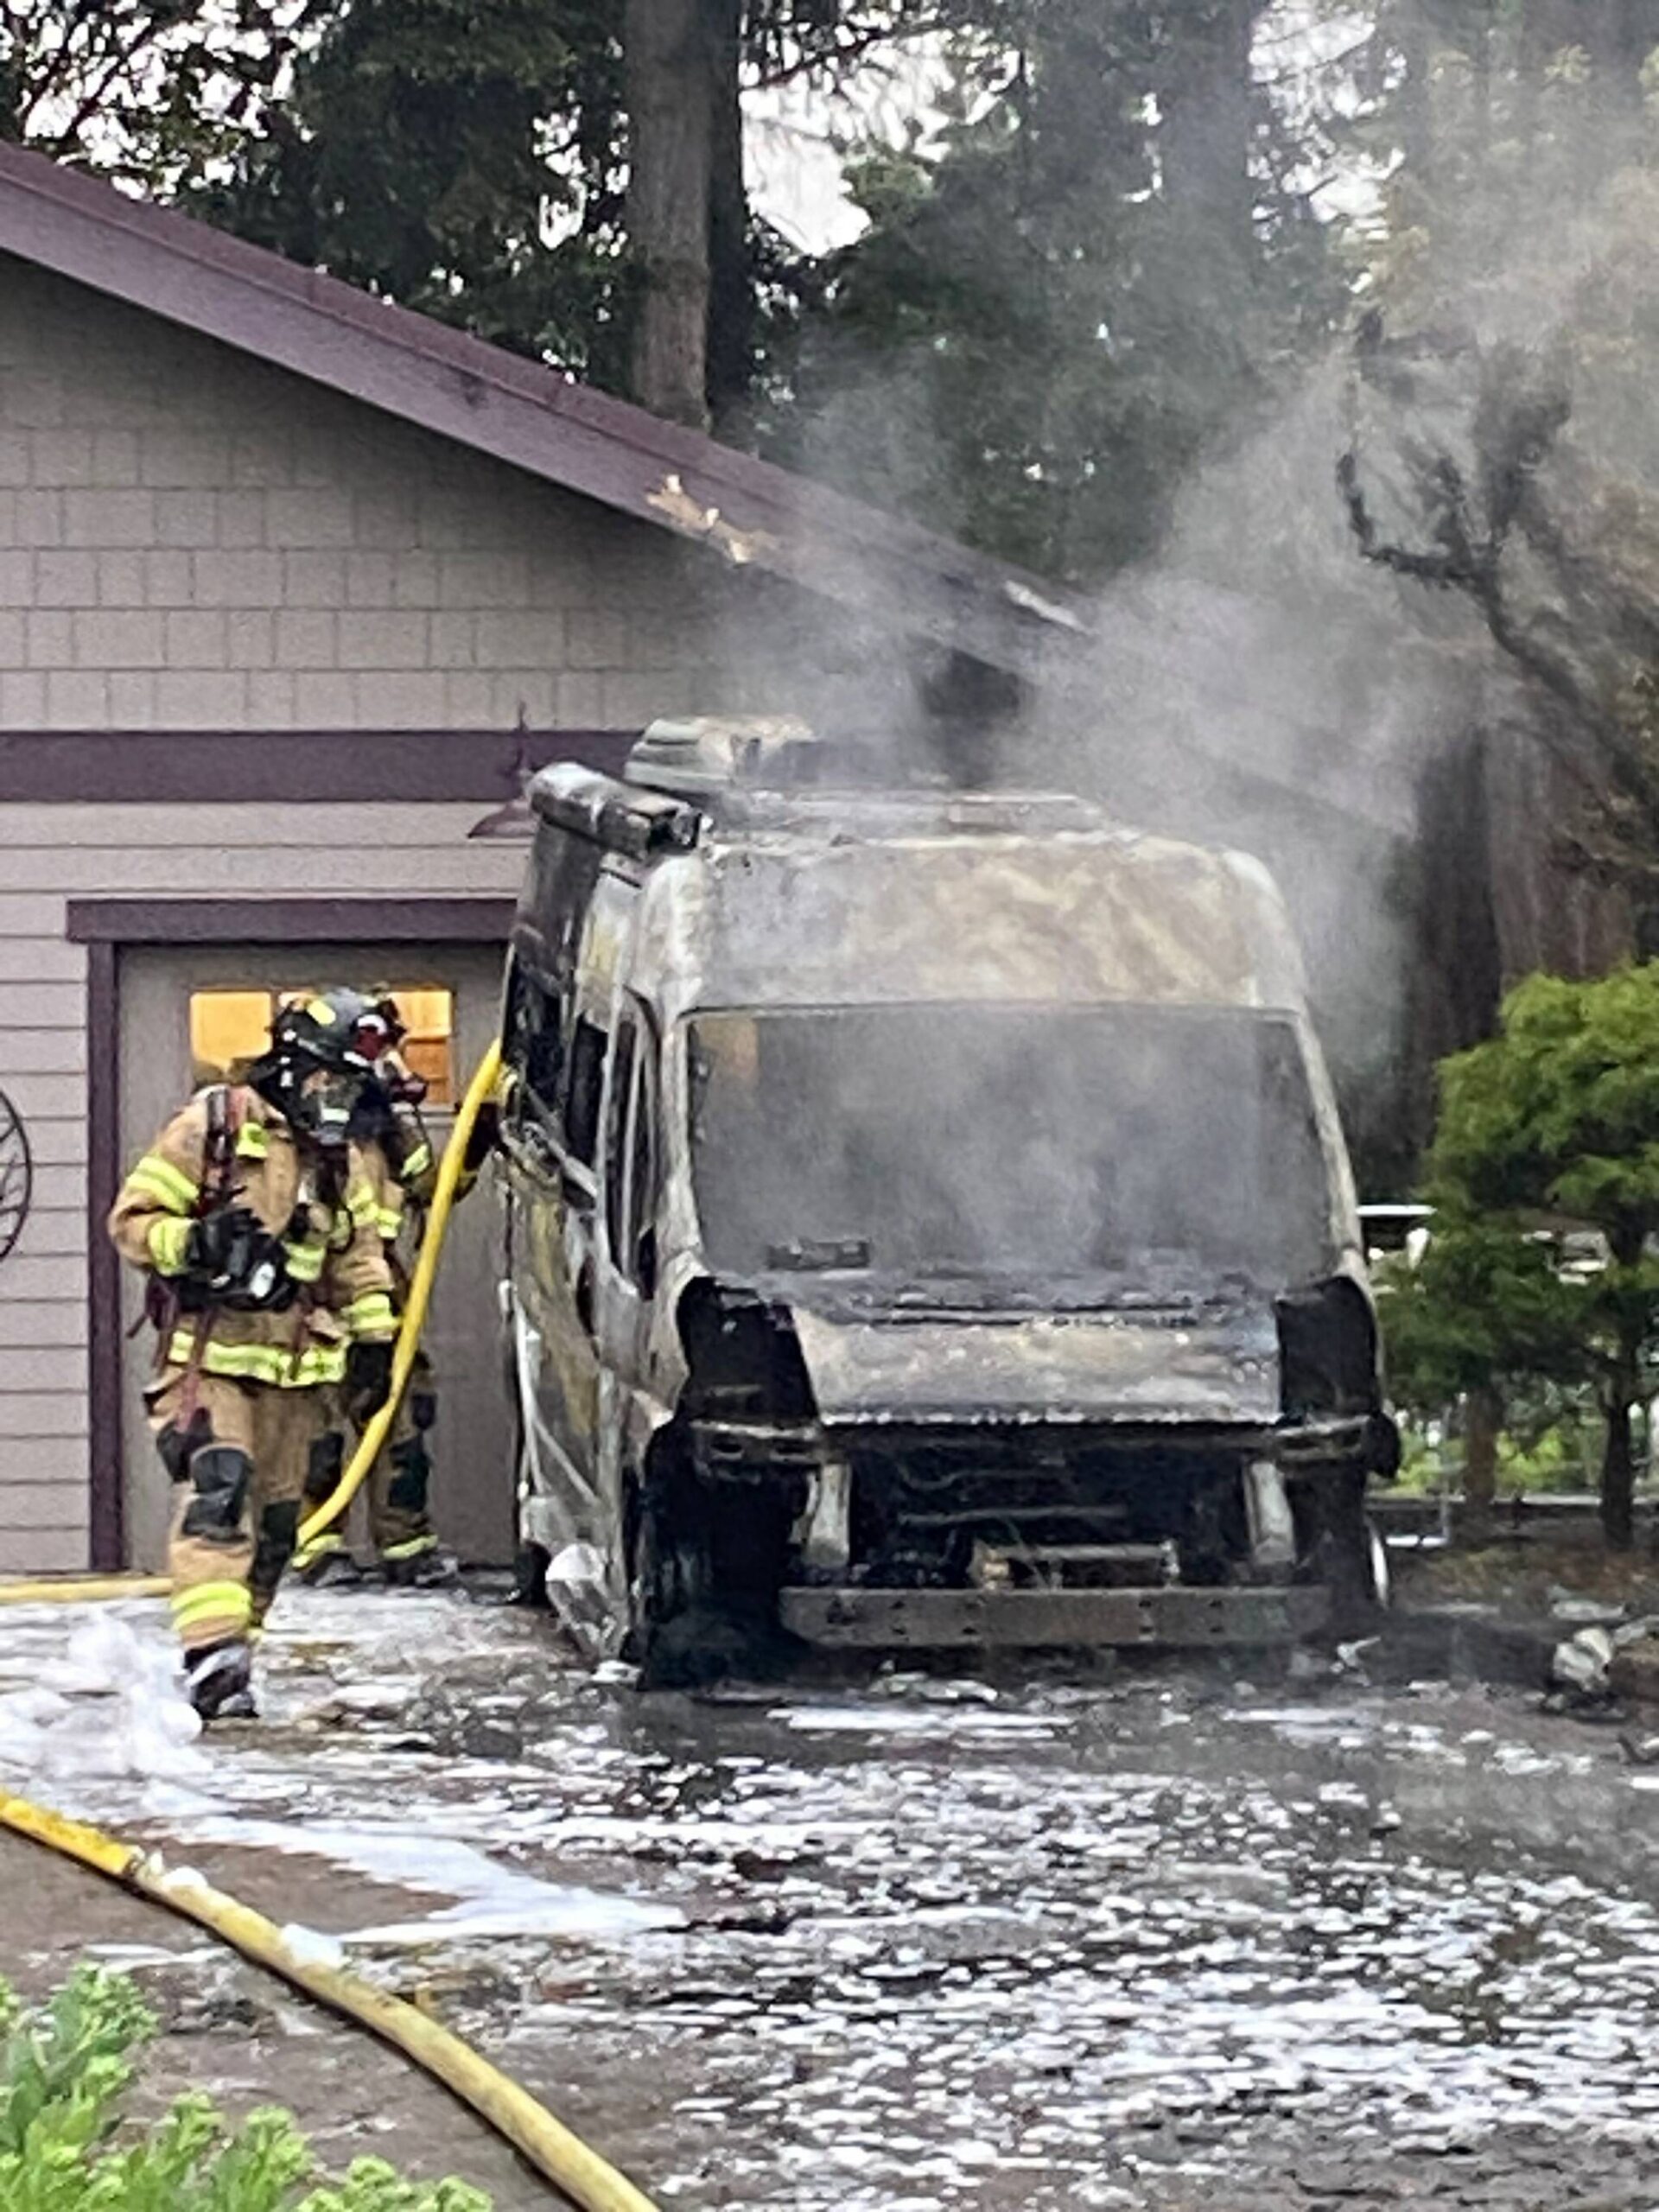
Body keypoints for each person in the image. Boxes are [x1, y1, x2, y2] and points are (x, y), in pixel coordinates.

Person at [109, 990, 398, 1719]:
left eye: (349, 1086)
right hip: (209, 1360)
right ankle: (212, 1658)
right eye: (327, 1080)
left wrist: (375, 1347)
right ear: (294, 1069)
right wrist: (196, 1245)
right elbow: (133, 1221)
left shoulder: (344, 1161)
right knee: (220, 1490)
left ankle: (238, 1650)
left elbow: (360, 1261)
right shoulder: (218, 1125)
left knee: (276, 1530)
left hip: (299, 1375)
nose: (336, 1098)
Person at [293, 992, 499, 1589]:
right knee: (318, 1433)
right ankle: (316, 1549)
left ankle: (405, 1547)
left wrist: (476, 1142)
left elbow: (431, 1195)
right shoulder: (287, 1122)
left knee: (402, 1424)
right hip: (316, 1301)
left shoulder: (380, 1122)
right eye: (372, 1049)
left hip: (384, 1294)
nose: (388, 1064)